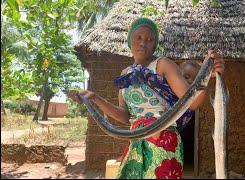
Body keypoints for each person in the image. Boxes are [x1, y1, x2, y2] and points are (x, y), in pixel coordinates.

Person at [67, 17, 224, 179]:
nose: (144, 43)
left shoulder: (162, 65)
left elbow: (191, 102)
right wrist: (94, 98)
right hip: (136, 141)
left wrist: (206, 75)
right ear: (130, 40)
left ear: (155, 44)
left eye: (150, 39)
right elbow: (125, 115)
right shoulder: (125, 74)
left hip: (163, 141)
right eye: (139, 38)